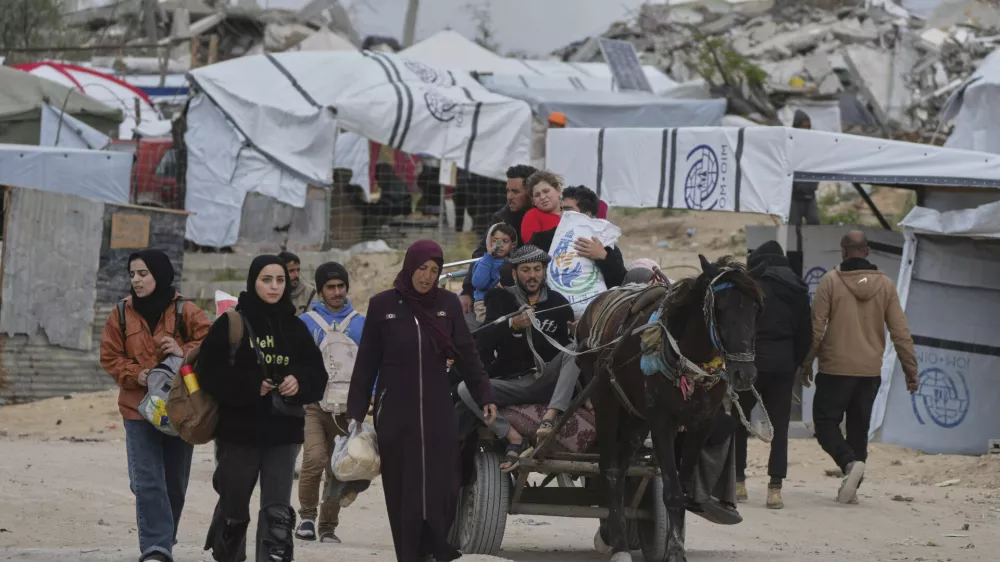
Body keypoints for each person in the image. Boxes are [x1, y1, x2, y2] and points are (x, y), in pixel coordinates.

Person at [346, 240, 497, 562]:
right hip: (395, 410)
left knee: (444, 480)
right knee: (403, 486)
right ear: (409, 266)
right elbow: (366, 363)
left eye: (434, 270)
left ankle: (434, 541)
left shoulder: (448, 304)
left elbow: (467, 354)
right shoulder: (382, 305)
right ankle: (409, 553)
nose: (427, 276)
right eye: (421, 268)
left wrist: (484, 393)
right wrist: (355, 413)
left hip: (437, 408)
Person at [198, 255, 328, 562]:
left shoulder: (296, 327)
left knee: (277, 511)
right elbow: (208, 373)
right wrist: (250, 386)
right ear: (253, 282)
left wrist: (299, 382)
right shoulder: (232, 323)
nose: (274, 287)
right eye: (266, 280)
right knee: (234, 504)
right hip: (239, 431)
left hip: (284, 432)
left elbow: (317, 374)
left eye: (280, 280)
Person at [100, 250, 211, 562]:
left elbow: (212, 342)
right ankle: (156, 549)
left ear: (160, 275)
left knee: (174, 483)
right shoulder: (120, 314)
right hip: (138, 408)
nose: (136, 280)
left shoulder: (186, 310)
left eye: (143, 273)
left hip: (180, 408)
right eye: (132, 274)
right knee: (147, 481)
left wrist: (182, 349)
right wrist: (137, 374)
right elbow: (109, 357)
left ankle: (164, 540)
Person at [800, 231, 919, 504]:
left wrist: (806, 364)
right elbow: (900, 333)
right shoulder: (887, 286)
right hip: (869, 372)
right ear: (866, 251)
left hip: (835, 369)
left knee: (825, 422)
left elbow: (816, 329)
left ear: (843, 251)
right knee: (858, 428)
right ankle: (853, 484)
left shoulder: (830, 282)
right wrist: (911, 371)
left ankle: (849, 464)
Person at [460, 244, 575, 472]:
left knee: (575, 349)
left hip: (546, 381)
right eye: (525, 270)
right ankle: (513, 437)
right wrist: (512, 324)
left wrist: (577, 332)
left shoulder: (559, 304)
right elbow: (483, 340)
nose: (532, 276)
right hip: (511, 381)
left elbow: (564, 350)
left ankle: (550, 417)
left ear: (544, 271)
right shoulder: (500, 299)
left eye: (537, 269)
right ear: (514, 273)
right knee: (465, 388)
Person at [733, 241, 812, 510]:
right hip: (783, 364)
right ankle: (774, 489)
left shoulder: (751, 286)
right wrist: (797, 364)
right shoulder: (798, 288)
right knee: (779, 428)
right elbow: (806, 333)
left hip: (750, 363)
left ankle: (738, 483)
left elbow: (738, 326)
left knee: (740, 422)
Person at [295, 262, 366, 544]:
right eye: (330, 287)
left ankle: (327, 526)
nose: (337, 292)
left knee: (340, 467)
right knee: (314, 459)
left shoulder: (361, 323)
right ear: (320, 291)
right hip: (314, 405)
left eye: (341, 286)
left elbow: (371, 364)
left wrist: (370, 394)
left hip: (349, 409)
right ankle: (307, 518)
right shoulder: (307, 323)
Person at [460, 164, 538, 315]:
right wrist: (467, 291)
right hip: (494, 291)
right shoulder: (501, 218)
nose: (509, 196)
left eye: (515, 191)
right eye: (508, 191)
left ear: (530, 193)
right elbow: (481, 254)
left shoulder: (544, 218)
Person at [559, 185, 627, 288]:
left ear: (586, 215)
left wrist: (604, 256)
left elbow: (620, 282)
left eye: (568, 210)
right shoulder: (549, 238)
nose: (563, 215)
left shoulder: (605, 245)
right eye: (561, 210)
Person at [470, 223, 518, 324]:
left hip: (507, 301)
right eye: (495, 241)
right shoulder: (484, 262)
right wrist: (488, 258)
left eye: (504, 241)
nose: (499, 245)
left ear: (513, 244)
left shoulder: (514, 263)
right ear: (489, 242)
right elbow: (478, 283)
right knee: (490, 323)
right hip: (483, 303)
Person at [790, 110, 820, 226]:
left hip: (810, 195)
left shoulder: (812, 144)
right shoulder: (791, 144)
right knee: (793, 226)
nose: (805, 129)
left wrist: (813, 184)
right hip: (794, 197)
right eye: (803, 127)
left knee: (814, 222)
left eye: (808, 127)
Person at [520, 169, 564, 246]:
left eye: (546, 191)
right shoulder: (532, 215)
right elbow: (531, 248)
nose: (542, 197)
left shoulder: (571, 213)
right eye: (537, 195)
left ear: (558, 190)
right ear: (533, 201)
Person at [279, 251, 316, 315]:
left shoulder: (310, 292)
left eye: (298, 270)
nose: (296, 275)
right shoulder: (272, 291)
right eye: (291, 271)